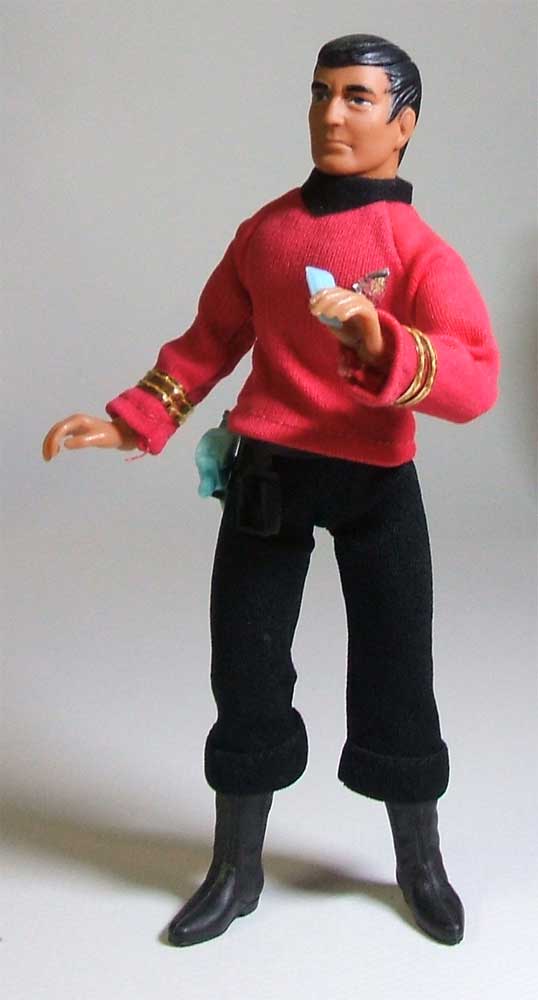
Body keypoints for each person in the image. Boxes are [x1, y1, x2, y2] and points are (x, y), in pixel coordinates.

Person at [42, 34, 500, 948]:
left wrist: (385, 342)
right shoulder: (269, 232)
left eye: (359, 98)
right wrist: (136, 419)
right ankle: (235, 866)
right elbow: (209, 341)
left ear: (404, 124)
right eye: (322, 93)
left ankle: (419, 861)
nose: (332, 114)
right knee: (246, 666)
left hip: (375, 481)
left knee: (398, 667)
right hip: (272, 472)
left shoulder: (418, 251)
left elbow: (475, 378)